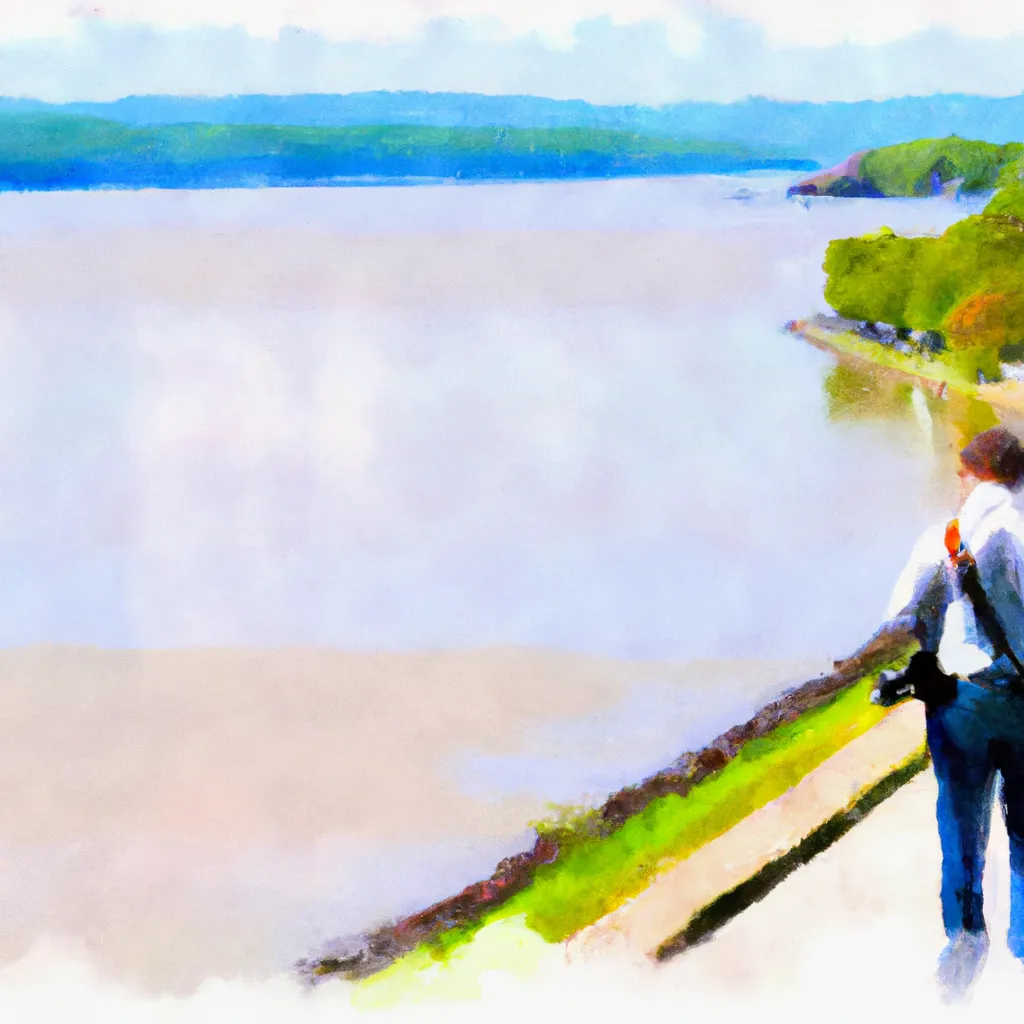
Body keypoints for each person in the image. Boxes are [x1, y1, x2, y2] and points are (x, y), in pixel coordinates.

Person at [884, 425, 1024, 1001]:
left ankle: (965, 940)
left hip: (960, 704)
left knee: (961, 826)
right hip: (1022, 701)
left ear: (971, 473)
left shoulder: (942, 537)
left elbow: (898, 619)